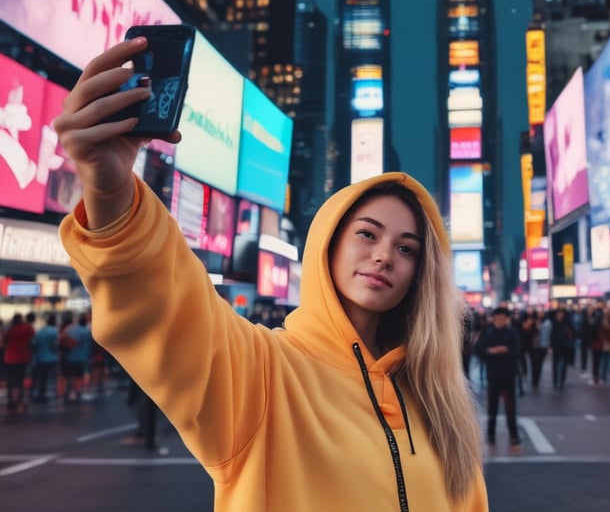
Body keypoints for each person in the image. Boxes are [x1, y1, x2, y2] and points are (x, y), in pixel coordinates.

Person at [53, 37, 488, 511]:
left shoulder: (438, 401)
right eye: (367, 234)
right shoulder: (261, 374)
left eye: (407, 248)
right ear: (328, 243)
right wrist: (110, 188)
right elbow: (164, 306)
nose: (385, 256)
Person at [473, 306, 522, 451]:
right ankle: (491, 433)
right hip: (493, 374)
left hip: (508, 374)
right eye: (497, 318)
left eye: (503, 318)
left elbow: (518, 351)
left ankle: (513, 434)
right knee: (492, 407)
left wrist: (505, 350)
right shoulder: (488, 333)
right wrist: (490, 351)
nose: (500, 321)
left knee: (510, 407)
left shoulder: (512, 333)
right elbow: (478, 350)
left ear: (507, 319)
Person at [3, 313, 36, 412]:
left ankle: (10, 399)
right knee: (20, 379)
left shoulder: (10, 329)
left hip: (10, 357)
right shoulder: (27, 328)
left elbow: (5, 340)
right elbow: (33, 340)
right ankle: (20, 399)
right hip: (23, 357)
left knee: (10, 380)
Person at [31, 313, 60, 403]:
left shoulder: (40, 331)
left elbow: (33, 344)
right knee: (54, 378)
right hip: (53, 358)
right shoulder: (55, 332)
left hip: (41, 358)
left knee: (42, 378)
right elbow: (56, 345)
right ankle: (56, 395)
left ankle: (41, 394)